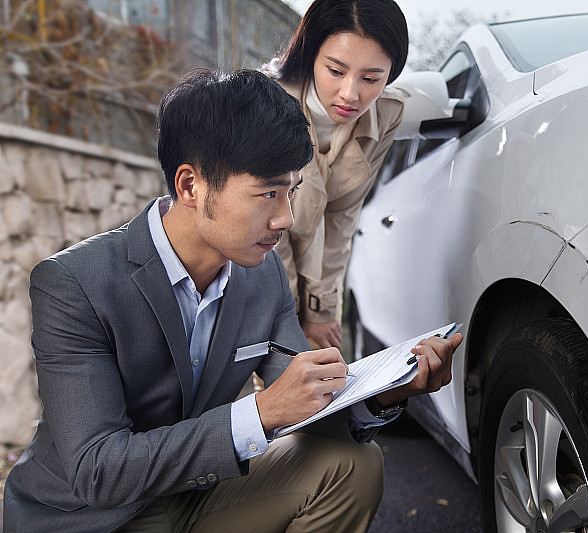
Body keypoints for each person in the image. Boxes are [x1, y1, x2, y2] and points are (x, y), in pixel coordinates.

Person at [2, 68, 462, 533]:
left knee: (352, 464)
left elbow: (310, 409)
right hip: (92, 519)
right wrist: (260, 413)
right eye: (267, 193)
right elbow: (98, 472)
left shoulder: (262, 277)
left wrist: (388, 392)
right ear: (190, 186)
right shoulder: (73, 283)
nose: (285, 219)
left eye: (291, 191)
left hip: (195, 495)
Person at [267, 0, 409, 350]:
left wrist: (320, 310)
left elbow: (343, 216)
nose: (351, 94)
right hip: (255, 261)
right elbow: (266, 226)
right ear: (311, 55)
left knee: (325, 372)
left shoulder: (386, 113)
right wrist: (290, 316)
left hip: (313, 268)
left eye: (371, 78)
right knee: (280, 370)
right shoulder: (266, 101)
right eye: (335, 71)